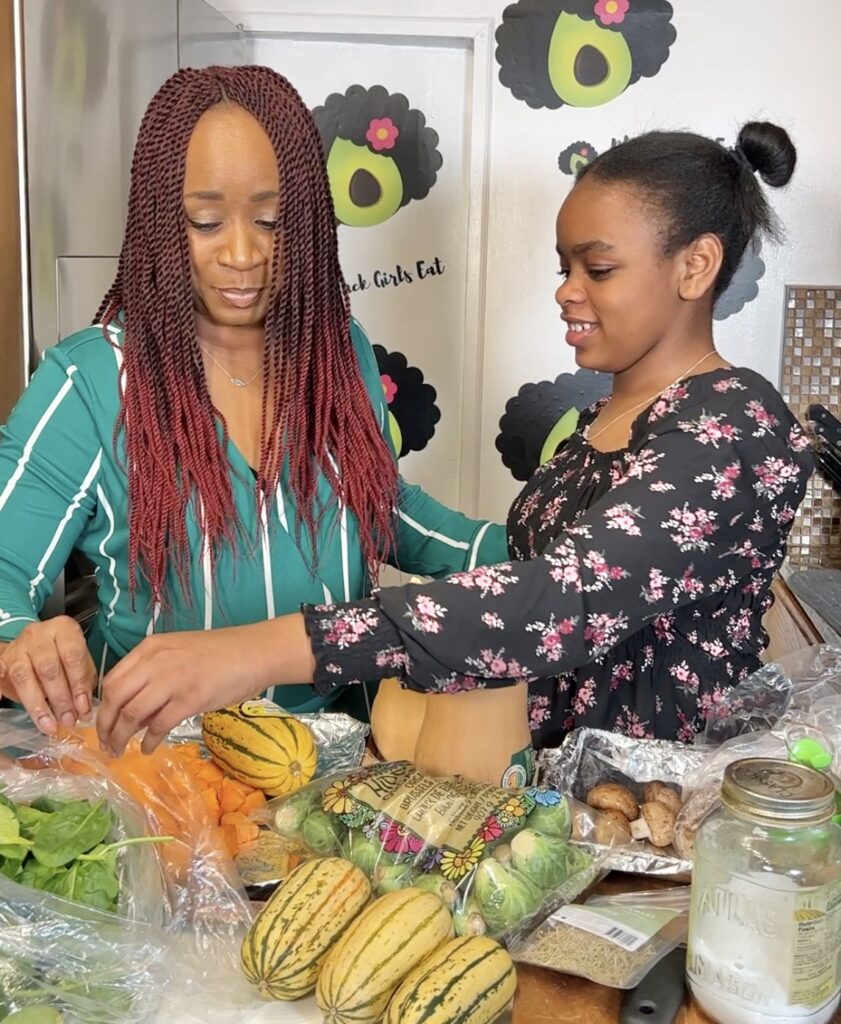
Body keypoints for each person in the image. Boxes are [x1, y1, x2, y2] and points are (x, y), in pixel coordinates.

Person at [97, 120, 814, 759]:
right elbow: (521, 570)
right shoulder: (604, 419)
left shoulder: (733, 426)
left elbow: (561, 601)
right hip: (554, 799)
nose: (565, 290)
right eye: (561, 267)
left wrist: (260, 651)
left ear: (694, 266)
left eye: (596, 269)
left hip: (649, 820)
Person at [0, 65, 508, 737]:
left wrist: (529, 556)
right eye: (205, 222)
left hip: (342, 759)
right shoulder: (89, 380)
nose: (243, 253)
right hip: (167, 780)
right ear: (158, 222)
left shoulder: (336, 351)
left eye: (271, 221)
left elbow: (379, 510)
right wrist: (19, 640)